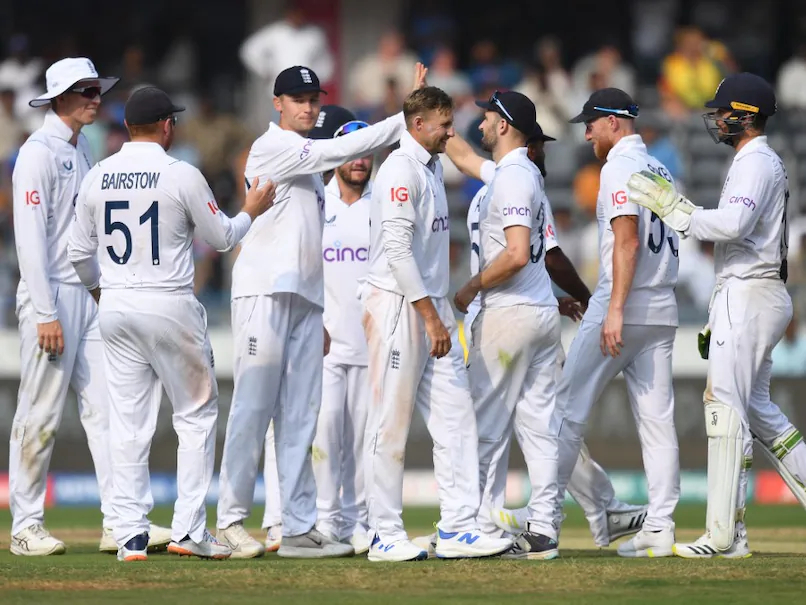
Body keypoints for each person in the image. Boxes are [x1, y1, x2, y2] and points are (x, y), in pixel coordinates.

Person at [215, 64, 423, 559]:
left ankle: (299, 525)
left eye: (314, 99)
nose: (308, 107)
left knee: (301, 416)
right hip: (265, 294)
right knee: (253, 407)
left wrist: (319, 308)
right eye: (298, 99)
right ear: (277, 104)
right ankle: (229, 520)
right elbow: (337, 149)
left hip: (305, 302)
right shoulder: (275, 147)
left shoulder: (306, 166)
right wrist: (403, 117)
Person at [66, 86, 276, 561]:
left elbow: (78, 254)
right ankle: (188, 531)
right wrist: (251, 211)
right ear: (165, 126)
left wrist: (104, 295)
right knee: (196, 415)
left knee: (128, 423)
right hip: (168, 302)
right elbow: (221, 237)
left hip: (116, 306)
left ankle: (129, 535)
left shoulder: (99, 174)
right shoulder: (180, 173)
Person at [627, 72, 806, 557]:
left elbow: (733, 224)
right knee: (756, 411)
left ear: (746, 116)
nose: (718, 119)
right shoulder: (757, 161)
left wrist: (676, 209)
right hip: (751, 292)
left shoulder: (755, 162)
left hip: (750, 292)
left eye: (725, 111)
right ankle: (731, 534)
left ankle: (725, 536)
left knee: (723, 408)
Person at [445, 125, 648, 552]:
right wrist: (579, 298)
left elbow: (537, 256)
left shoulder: (510, 181)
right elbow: (548, 258)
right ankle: (584, 514)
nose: (542, 152)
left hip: (504, 315)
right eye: (537, 144)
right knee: (544, 427)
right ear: (520, 140)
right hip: (520, 312)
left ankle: (482, 524)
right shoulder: (511, 179)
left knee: (498, 428)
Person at [8, 57, 171, 556]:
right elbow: (30, 240)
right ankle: (25, 525)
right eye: (86, 91)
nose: (97, 98)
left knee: (108, 410)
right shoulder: (37, 154)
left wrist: (100, 293)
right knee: (40, 411)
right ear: (59, 97)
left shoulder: (80, 151)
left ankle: (119, 520)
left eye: (98, 89)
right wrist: (45, 311)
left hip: (85, 296)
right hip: (51, 296)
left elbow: (84, 240)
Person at [361, 85, 512, 562]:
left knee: (456, 417)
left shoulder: (429, 164)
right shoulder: (400, 171)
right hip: (399, 307)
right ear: (419, 125)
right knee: (390, 425)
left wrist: (437, 312)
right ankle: (383, 533)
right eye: (444, 125)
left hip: (432, 305)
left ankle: (458, 528)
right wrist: (430, 318)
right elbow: (399, 253)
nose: (452, 133)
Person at [556, 88, 681, 558]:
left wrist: (613, 310)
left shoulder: (616, 168)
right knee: (658, 423)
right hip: (663, 306)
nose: (586, 131)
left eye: (591, 122)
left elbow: (626, 243)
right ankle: (662, 528)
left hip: (625, 302)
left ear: (614, 122)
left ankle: (544, 521)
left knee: (563, 412)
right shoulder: (661, 167)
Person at [259, 107, 372, 555]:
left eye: (366, 152)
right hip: (321, 341)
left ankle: (357, 521)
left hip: (367, 342)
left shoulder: (379, 206)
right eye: (351, 150)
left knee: (364, 442)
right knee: (319, 435)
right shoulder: (314, 197)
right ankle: (318, 519)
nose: (359, 161)